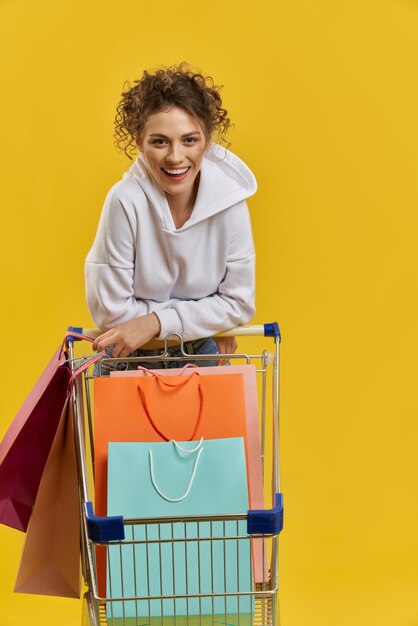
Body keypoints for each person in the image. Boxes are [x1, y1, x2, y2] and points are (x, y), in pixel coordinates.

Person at [85, 63, 256, 371]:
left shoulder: (231, 203)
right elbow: (113, 314)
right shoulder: (125, 201)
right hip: (130, 361)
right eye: (160, 141)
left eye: (189, 140)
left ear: (207, 140)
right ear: (139, 142)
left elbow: (239, 303)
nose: (176, 157)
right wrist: (204, 324)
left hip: (205, 357)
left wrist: (152, 322)